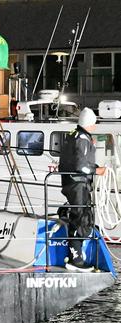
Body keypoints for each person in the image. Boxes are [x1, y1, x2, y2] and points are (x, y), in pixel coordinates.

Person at [58, 107, 106, 270]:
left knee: (79, 217)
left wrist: (93, 167)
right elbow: (80, 165)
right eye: (94, 123)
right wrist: (96, 170)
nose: (94, 126)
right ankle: (76, 260)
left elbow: (75, 161)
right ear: (89, 123)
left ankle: (76, 256)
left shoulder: (73, 135)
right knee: (82, 219)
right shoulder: (83, 138)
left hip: (72, 183)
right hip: (78, 185)